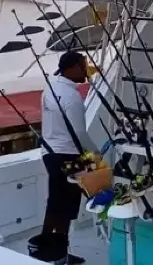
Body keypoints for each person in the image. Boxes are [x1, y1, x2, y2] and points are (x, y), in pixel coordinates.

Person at [40, 51, 98, 265]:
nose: (86, 70)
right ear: (71, 68)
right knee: (65, 206)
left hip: (49, 153)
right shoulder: (73, 97)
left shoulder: (50, 87)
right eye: (83, 66)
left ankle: (56, 253)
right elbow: (80, 133)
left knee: (57, 203)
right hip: (69, 156)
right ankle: (48, 254)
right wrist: (96, 153)